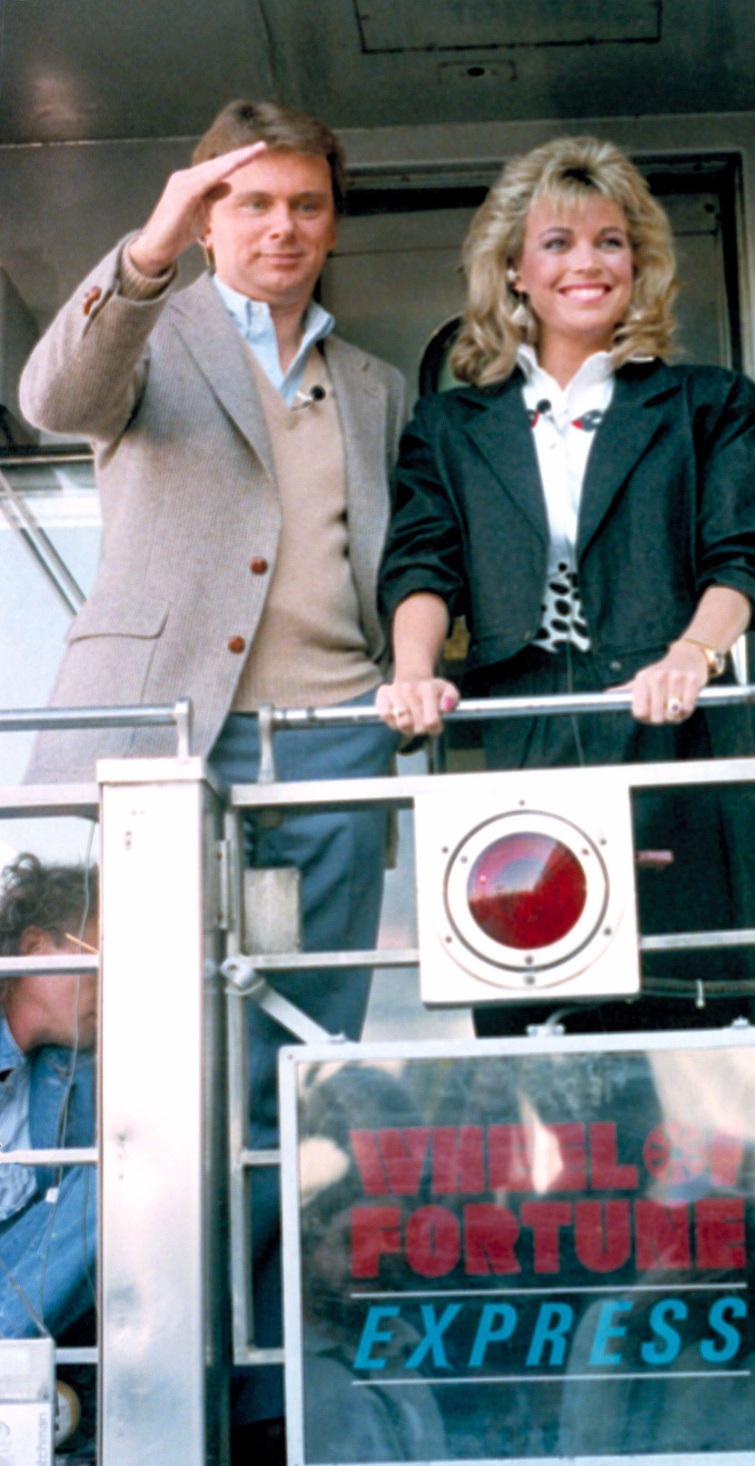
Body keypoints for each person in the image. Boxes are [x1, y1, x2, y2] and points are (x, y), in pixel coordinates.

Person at [19, 98, 404, 1446]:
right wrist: (149, 247)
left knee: (298, 1068)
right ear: (206, 215)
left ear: (332, 222)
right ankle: (94, 1362)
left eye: (305, 203)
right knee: (129, 1064)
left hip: (334, 740)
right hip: (159, 743)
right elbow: (50, 398)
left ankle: (251, 1388)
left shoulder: (373, 382)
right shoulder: (151, 327)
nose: (281, 226)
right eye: (250, 203)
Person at [378, 135, 755, 1034]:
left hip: (679, 731)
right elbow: (422, 561)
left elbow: (750, 555)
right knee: (531, 999)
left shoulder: (716, 405)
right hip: (523, 729)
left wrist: (692, 656)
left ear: (639, 265)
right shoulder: (450, 427)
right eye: (558, 243)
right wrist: (413, 671)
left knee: (692, 1003)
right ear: (514, 271)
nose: (589, 263)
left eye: (611, 241)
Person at [0, 853, 98, 1341]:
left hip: (25, 1314)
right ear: (36, 949)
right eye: (101, 959)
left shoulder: (68, 1068)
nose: (115, 985)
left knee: (129, 1173)